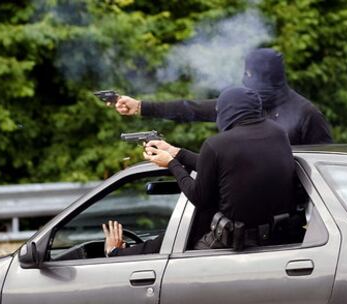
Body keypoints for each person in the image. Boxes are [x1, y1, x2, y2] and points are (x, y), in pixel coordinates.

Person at [143, 86, 296, 249]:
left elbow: (199, 198)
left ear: (228, 110)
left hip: (235, 244)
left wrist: (171, 164)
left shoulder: (216, 144)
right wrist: (177, 153)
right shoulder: (279, 134)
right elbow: (225, 166)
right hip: (280, 238)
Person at [114, 48, 332, 145]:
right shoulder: (242, 104)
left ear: (268, 76)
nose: (245, 80)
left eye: (250, 75)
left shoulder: (306, 114)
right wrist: (141, 106)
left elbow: (323, 168)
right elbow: (191, 108)